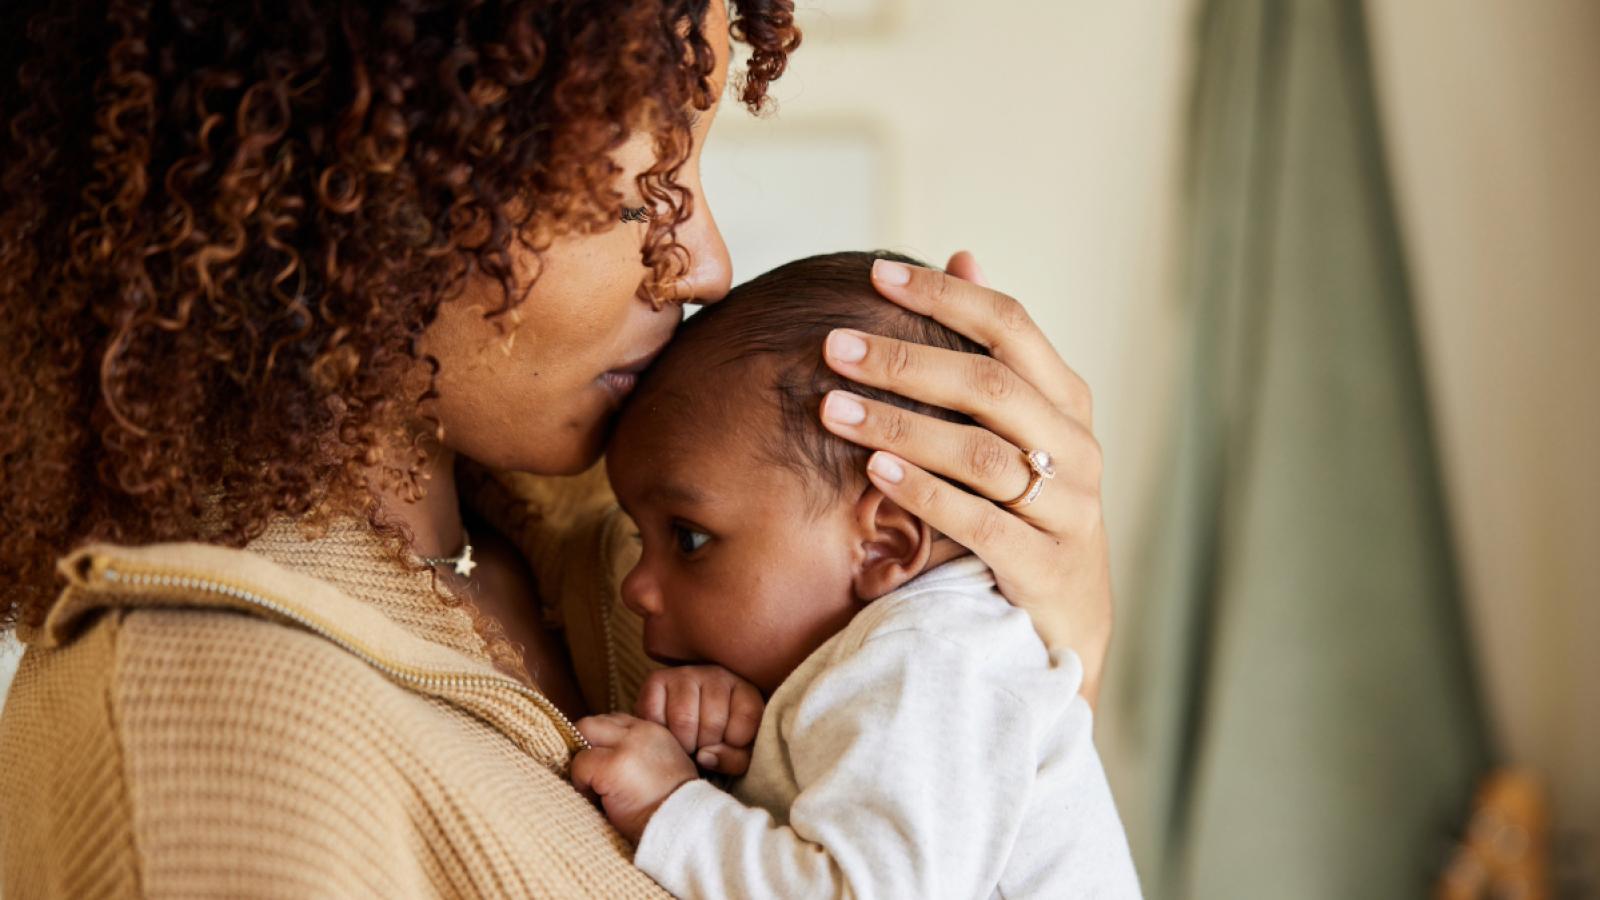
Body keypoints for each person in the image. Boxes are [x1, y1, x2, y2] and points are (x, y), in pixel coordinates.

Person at [0, 2, 1115, 896]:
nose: (702, 263)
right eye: (637, 189)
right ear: (367, 171)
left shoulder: (626, 537)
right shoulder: (206, 752)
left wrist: (1036, 646)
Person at [573, 252, 1141, 898]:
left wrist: (671, 809)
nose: (635, 587)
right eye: (637, 537)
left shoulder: (933, 659)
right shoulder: (917, 657)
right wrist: (758, 750)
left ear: (883, 545)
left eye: (689, 538)